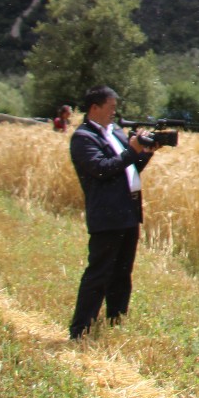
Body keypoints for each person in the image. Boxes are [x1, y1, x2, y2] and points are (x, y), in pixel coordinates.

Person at [67, 85, 156, 340]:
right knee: (99, 273)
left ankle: (116, 321)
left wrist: (146, 153)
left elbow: (130, 167)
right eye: (111, 109)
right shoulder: (83, 138)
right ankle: (80, 329)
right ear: (94, 108)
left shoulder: (114, 133)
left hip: (128, 212)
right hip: (107, 215)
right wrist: (132, 149)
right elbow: (103, 169)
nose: (115, 114)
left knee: (122, 272)